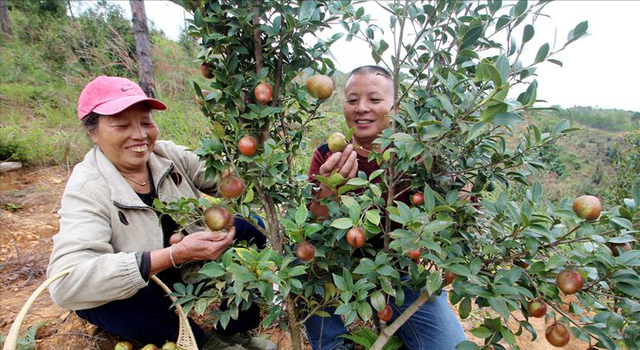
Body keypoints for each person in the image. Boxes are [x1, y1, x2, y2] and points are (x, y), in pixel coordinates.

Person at [46, 76, 273, 350]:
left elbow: (226, 178)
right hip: (141, 289)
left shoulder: (166, 154)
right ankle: (206, 344)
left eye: (146, 122)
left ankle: (233, 330)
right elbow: (65, 282)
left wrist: (252, 139)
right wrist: (172, 255)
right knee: (123, 304)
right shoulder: (87, 188)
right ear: (93, 132)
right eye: (122, 125)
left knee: (251, 227)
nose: (140, 135)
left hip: (189, 270)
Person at [305, 66, 467, 350]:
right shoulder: (327, 155)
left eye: (375, 100)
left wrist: (455, 187)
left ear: (396, 107)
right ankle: (331, 344)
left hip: (402, 268)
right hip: (340, 263)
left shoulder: (419, 156)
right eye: (352, 100)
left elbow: (464, 205)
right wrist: (330, 188)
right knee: (304, 260)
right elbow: (315, 225)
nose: (361, 108)